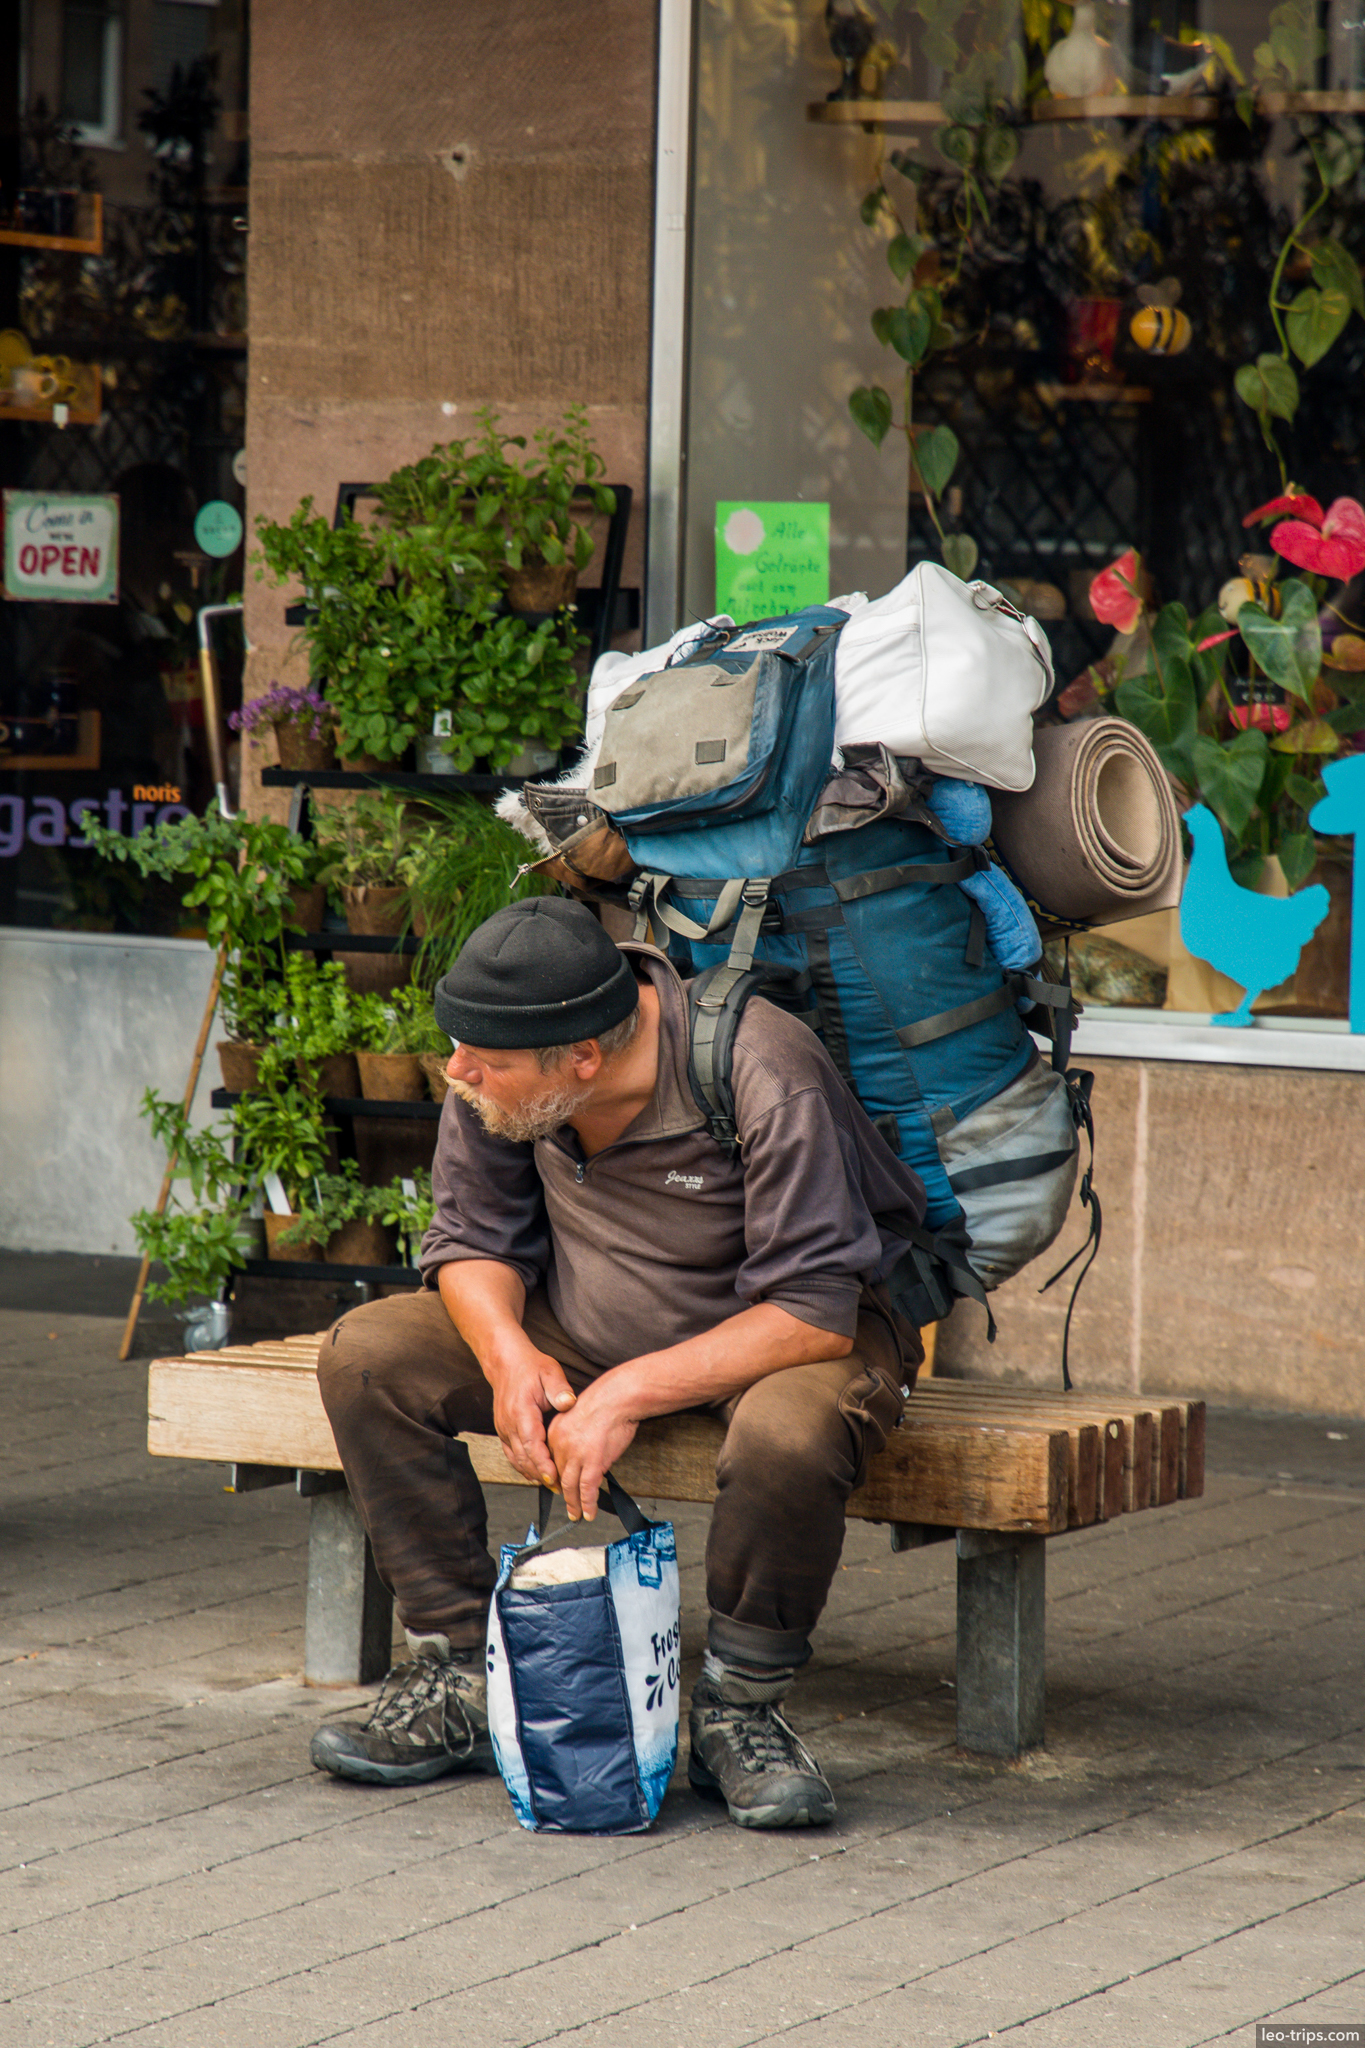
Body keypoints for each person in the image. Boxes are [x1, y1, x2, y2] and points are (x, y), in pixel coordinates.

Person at [311, 896, 926, 1829]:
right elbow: (471, 1238)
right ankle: (462, 1676)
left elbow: (809, 1311)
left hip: (779, 1336)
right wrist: (509, 1352)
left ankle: (738, 1710)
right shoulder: (503, 1059)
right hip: (582, 1319)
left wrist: (628, 1391)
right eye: (459, 1052)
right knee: (369, 1355)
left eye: (486, 1065)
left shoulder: (762, 1068)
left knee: (791, 1435)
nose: (457, 1073)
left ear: (584, 1060)